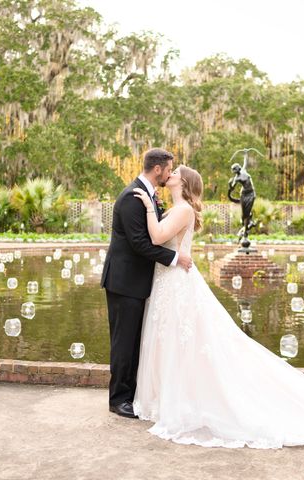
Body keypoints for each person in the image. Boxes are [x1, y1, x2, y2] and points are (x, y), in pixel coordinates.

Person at [131, 165, 304, 449]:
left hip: (177, 285)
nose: (170, 173)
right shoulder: (176, 209)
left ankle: (185, 402)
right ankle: (168, 398)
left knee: (185, 341)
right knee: (171, 341)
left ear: (184, 182)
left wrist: (148, 206)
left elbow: (158, 238)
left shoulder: (183, 209)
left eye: (176, 172)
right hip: (168, 282)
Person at [101, 148, 192, 419]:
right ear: (157, 170)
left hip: (137, 282)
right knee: (123, 343)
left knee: (133, 342)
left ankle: (130, 395)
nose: (169, 174)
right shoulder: (131, 197)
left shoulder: (150, 195)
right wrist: (176, 257)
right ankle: (118, 399)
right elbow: (139, 244)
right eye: (168, 169)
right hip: (123, 282)